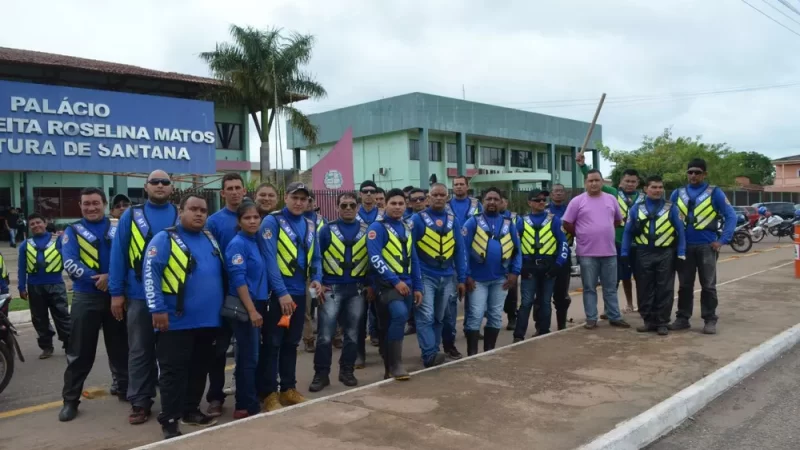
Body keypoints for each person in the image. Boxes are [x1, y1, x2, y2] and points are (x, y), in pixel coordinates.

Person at [143, 194, 226, 439]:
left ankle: (191, 410)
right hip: (175, 321)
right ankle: (169, 419)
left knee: (199, 369)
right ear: (181, 211)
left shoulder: (210, 239)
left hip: (209, 321)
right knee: (173, 372)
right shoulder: (165, 238)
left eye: (203, 210)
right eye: (193, 209)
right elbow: (151, 274)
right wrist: (157, 309)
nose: (199, 214)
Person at [109, 170, 178, 425]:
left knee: (171, 351)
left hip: (171, 296)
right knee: (139, 350)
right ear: (145, 187)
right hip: (138, 296)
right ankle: (140, 401)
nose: (160, 185)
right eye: (155, 182)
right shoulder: (131, 215)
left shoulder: (179, 215)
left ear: (172, 187)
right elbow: (118, 255)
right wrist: (117, 293)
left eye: (165, 182)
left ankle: (173, 399)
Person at [59, 188, 129, 422]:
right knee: (79, 353)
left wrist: (111, 278)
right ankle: (70, 400)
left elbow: (130, 257)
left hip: (116, 295)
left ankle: (123, 386)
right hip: (85, 298)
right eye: (86, 204)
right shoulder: (72, 231)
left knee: (120, 347)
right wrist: (97, 279)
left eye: (96, 203)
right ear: (80, 206)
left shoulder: (118, 227)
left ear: (105, 204)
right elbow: (69, 261)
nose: (91, 208)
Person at [259, 182, 322, 411]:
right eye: (295, 197)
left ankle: (288, 389)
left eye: (303, 199)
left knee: (291, 344)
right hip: (277, 295)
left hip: (299, 293)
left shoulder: (310, 223)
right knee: (272, 344)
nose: (299, 202)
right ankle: (268, 394)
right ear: (286, 198)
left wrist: (317, 277)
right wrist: (282, 293)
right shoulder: (271, 222)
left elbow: (316, 257)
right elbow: (269, 260)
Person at [225, 201, 283, 419]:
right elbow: (238, 279)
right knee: (248, 357)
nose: (252, 221)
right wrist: (251, 310)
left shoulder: (255, 241)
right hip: (245, 306)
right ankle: (244, 404)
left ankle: (253, 396)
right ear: (239, 221)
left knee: (254, 355)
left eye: (255, 217)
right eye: (247, 218)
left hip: (259, 304)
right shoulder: (237, 244)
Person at [669, 159, 737, 335]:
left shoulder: (715, 193)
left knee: (708, 285)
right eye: (690, 172)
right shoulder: (678, 193)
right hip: (684, 247)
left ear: (704, 174)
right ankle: (682, 318)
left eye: (697, 172)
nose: (693, 175)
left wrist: (722, 240)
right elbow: (668, 218)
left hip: (707, 246)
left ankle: (709, 319)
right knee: (685, 285)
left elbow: (731, 216)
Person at [309, 192, 368, 392]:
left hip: (356, 289)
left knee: (352, 334)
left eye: (352, 205)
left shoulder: (367, 230)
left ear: (358, 208)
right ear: (337, 208)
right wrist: (318, 281)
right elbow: (316, 258)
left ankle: (347, 371)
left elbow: (371, 261)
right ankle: (321, 374)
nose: (348, 208)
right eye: (344, 205)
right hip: (331, 289)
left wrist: (370, 285)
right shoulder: (326, 230)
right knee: (325, 336)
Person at [562, 169, 631, 330]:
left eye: (597, 180)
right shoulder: (577, 201)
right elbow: (567, 223)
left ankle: (614, 316)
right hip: (587, 253)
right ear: (585, 183)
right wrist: (581, 233)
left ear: (602, 182)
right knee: (589, 288)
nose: (594, 183)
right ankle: (591, 318)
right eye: (590, 181)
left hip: (609, 252)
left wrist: (603, 231)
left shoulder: (611, 199)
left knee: (611, 287)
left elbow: (617, 221)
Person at [366, 188, 423, 380]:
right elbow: (375, 258)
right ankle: (395, 364)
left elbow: (413, 259)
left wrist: (418, 287)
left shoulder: (407, 227)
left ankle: (389, 366)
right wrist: (395, 281)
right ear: (385, 205)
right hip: (386, 285)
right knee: (398, 316)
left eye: (401, 204)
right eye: (393, 203)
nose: (397, 207)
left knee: (396, 322)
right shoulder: (377, 228)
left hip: (407, 284)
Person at [621, 176, 686, 336]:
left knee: (664, 288)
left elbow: (681, 232)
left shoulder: (672, 208)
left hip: (665, 253)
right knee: (644, 288)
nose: (658, 190)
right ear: (646, 189)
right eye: (654, 187)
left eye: (660, 187)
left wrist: (681, 252)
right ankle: (648, 321)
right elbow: (627, 232)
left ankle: (662, 322)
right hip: (643, 253)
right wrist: (624, 252)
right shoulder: (636, 208)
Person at [411, 183, 467, 365]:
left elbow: (459, 250)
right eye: (435, 194)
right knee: (425, 315)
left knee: (439, 317)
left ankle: (433, 351)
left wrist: (461, 278)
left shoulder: (453, 220)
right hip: (426, 275)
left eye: (442, 194)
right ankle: (429, 353)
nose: (439, 197)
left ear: (447, 197)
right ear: (428, 198)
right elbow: (410, 251)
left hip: (448, 275)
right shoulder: (417, 219)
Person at [578, 156, 643, 313]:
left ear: (638, 183)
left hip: (640, 243)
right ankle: (623, 305)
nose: (630, 184)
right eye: (627, 181)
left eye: (633, 181)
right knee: (618, 278)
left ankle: (643, 305)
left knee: (641, 277)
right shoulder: (613, 193)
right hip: (618, 242)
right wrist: (582, 166)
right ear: (621, 182)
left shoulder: (643, 197)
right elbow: (595, 181)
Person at [205, 173, 246, 416]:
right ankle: (215, 397)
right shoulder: (213, 222)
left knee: (247, 348)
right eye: (229, 188)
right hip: (221, 296)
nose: (233, 191)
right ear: (222, 193)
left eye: (237, 187)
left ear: (244, 191)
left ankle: (245, 391)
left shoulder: (252, 217)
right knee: (218, 351)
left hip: (248, 295)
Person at [462, 188, 521, 355]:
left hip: (500, 279)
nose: (492, 202)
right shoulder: (472, 222)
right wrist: (466, 275)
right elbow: (463, 250)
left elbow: (517, 251)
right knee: (476, 314)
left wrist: (515, 272)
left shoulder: (509, 224)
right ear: (482, 201)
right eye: (489, 199)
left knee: (495, 315)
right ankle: (472, 354)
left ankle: (489, 352)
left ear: (501, 202)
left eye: (496, 199)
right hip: (477, 280)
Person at [515, 189, 568, 339]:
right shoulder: (521, 221)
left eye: (543, 200)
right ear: (529, 202)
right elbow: (514, 246)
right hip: (529, 267)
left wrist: (558, 264)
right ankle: (518, 335)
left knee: (545, 301)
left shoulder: (554, 220)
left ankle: (544, 332)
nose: (541, 202)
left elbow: (563, 243)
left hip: (548, 266)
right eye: (537, 200)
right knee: (526, 302)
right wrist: (520, 267)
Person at [17, 213, 71, 359]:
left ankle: (69, 345)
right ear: (29, 227)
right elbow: (22, 267)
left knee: (62, 316)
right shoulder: (25, 245)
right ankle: (46, 346)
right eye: (32, 224)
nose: (36, 226)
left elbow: (69, 259)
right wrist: (21, 287)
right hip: (34, 286)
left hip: (56, 284)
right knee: (39, 319)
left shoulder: (58, 240)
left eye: (38, 222)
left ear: (45, 223)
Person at [355, 180, 384, 367]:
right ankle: (359, 354)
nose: (368, 194)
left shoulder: (383, 217)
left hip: (380, 274)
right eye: (364, 191)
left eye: (371, 191)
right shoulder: (352, 215)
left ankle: (385, 349)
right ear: (360, 194)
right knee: (358, 317)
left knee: (382, 315)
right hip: (357, 273)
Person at [546, 184, 574, 330]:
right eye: (555, 191)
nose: (558, 194)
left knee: (561, 294)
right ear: (551, 194)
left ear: (565, 194)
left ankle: (561, 326)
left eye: (561, 191)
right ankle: (542, 327)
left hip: (564, 255)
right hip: (546, 256)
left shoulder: (571, 210)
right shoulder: (544, 210)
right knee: (543, 295)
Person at [302, 193, 327, 353]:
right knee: (307, 308)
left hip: (322, 270)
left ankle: (334, 335)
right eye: (306, 200)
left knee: (324, 304)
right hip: (305, 272)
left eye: (310, 200)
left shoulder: (322, 221)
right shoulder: (298, 221)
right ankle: (309, 339)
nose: (308, 203)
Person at [402, 188, 428, 337]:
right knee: (417, 301)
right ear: (409, 203)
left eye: (421, 199)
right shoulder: (407, 222)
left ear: (427, 200)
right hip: (413, 266)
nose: (418, 202)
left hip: (432, 266)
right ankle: (413, 323)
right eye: (414, 200)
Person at [500, 194, 520, 330]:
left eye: (500, 200)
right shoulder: (484, 218)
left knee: (511, 292)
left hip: (510, 260)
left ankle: (512, 317)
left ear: (506, 202)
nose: (497, 203)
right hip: (493, 262)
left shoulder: (514, 218)